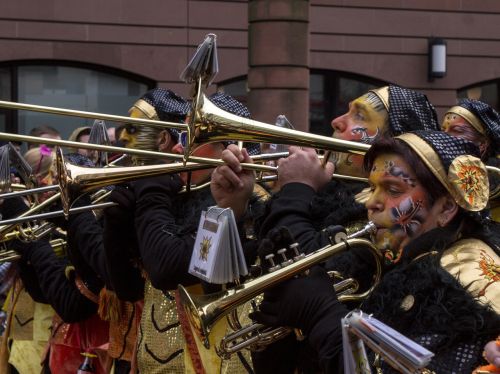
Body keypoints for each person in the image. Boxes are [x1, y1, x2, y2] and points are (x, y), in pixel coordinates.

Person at [247, 130, 500, 373]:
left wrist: (322, 314)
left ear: (445, 208)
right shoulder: (386, 254)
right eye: (372, 187)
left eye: (392, 190)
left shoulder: (471, 274)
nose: (370, 202)